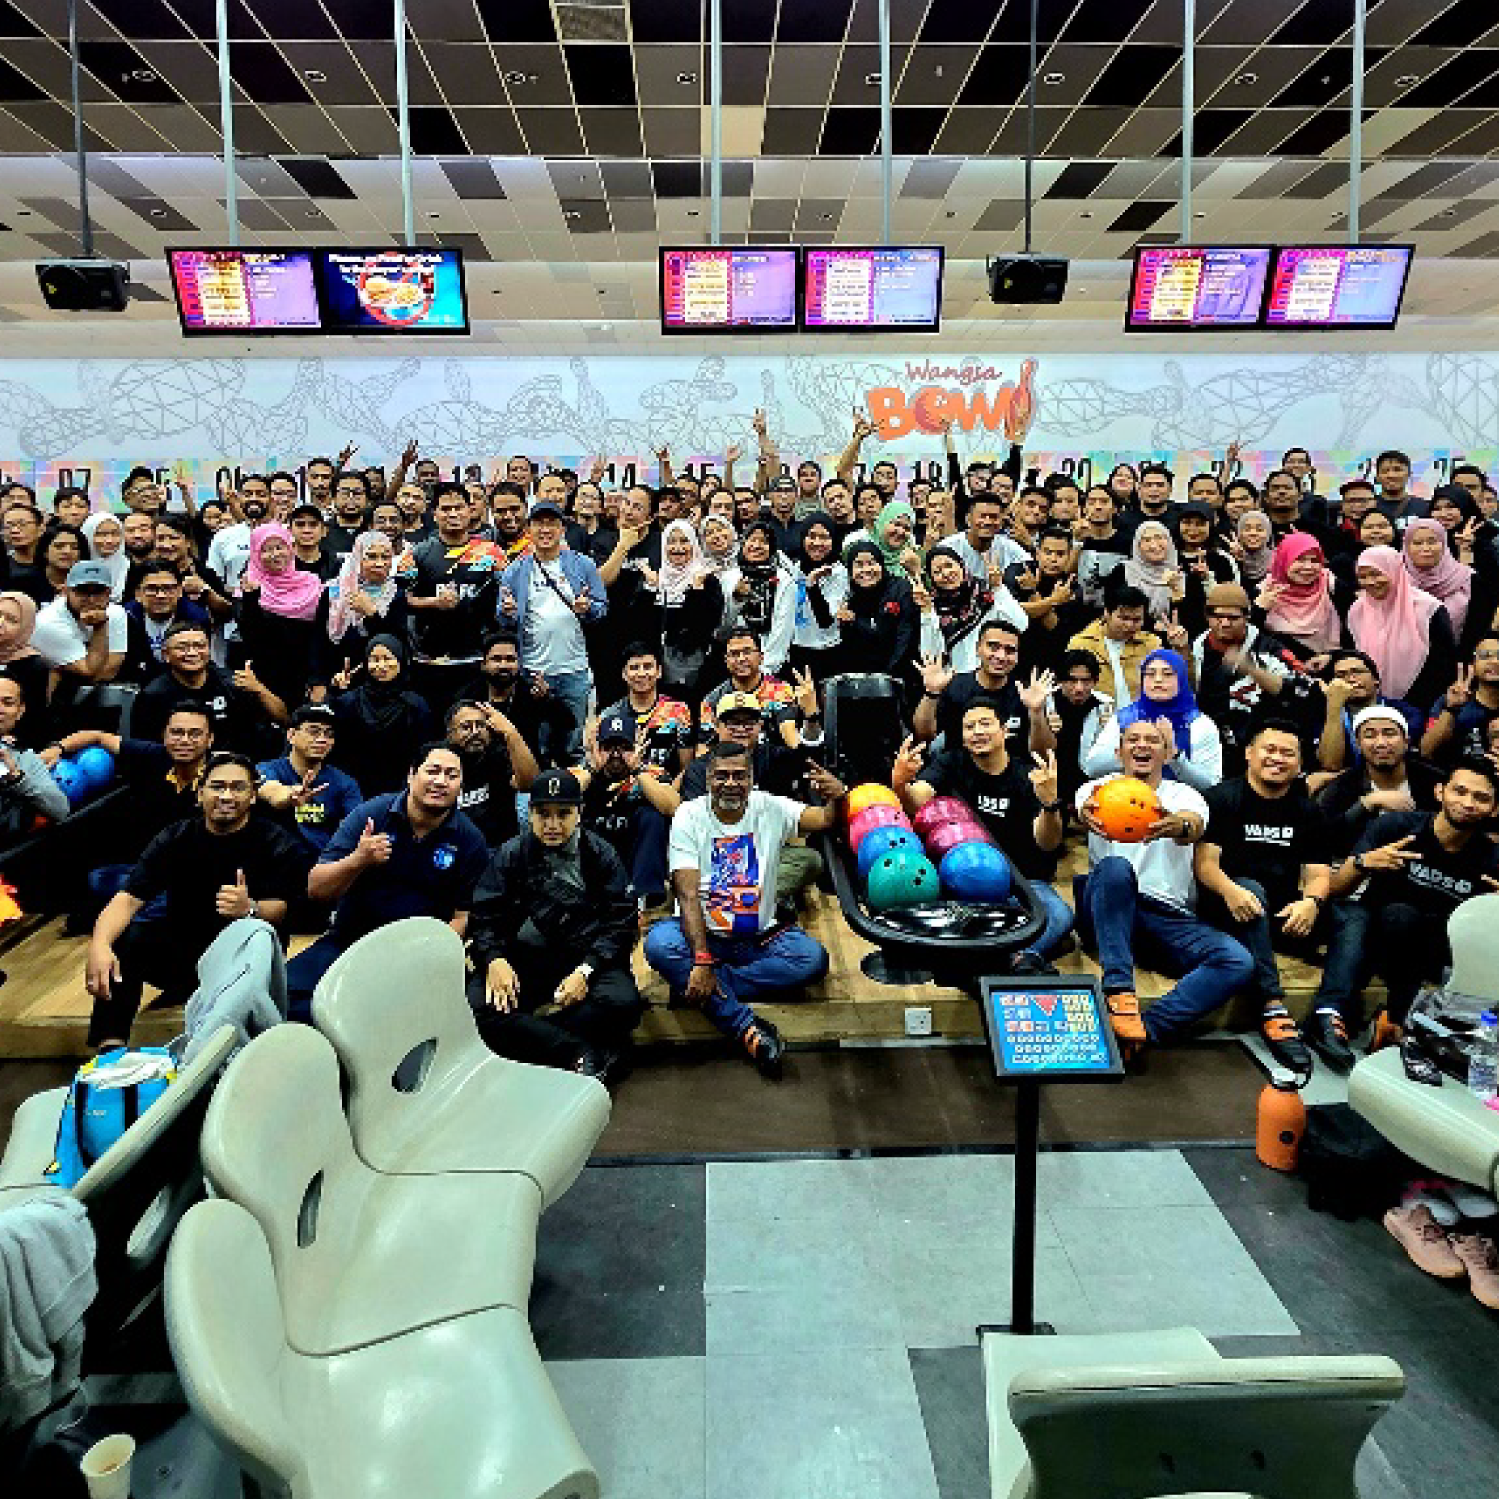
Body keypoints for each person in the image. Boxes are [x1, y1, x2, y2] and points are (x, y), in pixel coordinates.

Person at [643, 740, 847, 1078]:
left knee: (812, 960)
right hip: (702, 938)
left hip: (758, 938)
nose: (731, 783)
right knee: (659, 944)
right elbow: (688, 894)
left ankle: (702, 988)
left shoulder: (771, 807)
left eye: (739, 775)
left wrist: (838, 796)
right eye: (722, 776)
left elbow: (825, 818)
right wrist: (702, 959)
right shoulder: (688, 815)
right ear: (708, 779)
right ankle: (743, 1025)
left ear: (752, 779)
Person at [84, 750, 312, 1048]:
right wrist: (99, 945)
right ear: (200, 791)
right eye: (217, 787)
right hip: (184, 958)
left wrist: (250, 908)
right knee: (124, 938)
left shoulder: (275, 841)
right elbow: (127, 899)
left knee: (257, 935)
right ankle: (110, 1048)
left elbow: (281, 909)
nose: (226, 796)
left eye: (238, 787)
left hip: (244, 964)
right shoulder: (175, 837)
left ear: (253, 795)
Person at [1074, 720, 1253, 1055]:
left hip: (1166, 917)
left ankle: (1146, 1031)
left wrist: (1178, 824)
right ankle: (1119, 992)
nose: (1142, 745)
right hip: (1107, 910)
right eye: (1133, 739)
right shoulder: (1095, 790)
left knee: (1237, 960)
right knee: (1114, 868)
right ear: (1119, 751)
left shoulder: (1187, 795)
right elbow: (1085, 811)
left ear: (1168, 753)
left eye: (1153, 740)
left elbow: (1193, 824)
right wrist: (1083, 814)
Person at [1309, 758, 1499, 1067]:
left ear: (1494, 809)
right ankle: (1329, 1017)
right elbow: (1338, 888)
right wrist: (1364, 863)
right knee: (1363, 916)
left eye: (1481, 798)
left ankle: (1395, 1021)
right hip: (1375, 933)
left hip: (1433, 949)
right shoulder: (1396, 827)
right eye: (1460, 791)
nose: (1467, 803)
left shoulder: (1492, 858)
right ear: (1439, 791)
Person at [467, 768, 643, 1082]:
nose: (552, 824)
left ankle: (533, 1041)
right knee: (477, 1008)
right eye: (543, 814)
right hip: (525, 959)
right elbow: (484, 917)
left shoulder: (601, 854)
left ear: (579, 813)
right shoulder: (510, 854)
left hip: (586, 958)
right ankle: (577, 1051)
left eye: (563, 814)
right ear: (530, 813)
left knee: (623, 1005)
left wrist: (585, 971)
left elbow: (620, 924)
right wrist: (494, 959)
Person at [289, 742, 489, 1016]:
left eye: (451, 775)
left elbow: (461, 917)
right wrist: (358, 859)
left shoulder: (471, 840)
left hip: (418, 958)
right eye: (433, 771)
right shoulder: (371, 815)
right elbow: (316, 888)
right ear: (411, 775)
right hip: (351, 941)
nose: (441, 781)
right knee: (291, 998)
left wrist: (421, 959)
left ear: (461, 786)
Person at [1195, 721, 1332, 1074]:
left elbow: (1319, 874)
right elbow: (1205, 865)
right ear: (1249, 754)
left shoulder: (1308, 810)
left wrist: (1311, 903)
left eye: (1288, 753)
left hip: (1281, 911)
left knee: (1353, 917)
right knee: (1251, 891)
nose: (1277, 758)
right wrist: (1231, 891)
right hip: (1226, 905)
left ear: (1299, 764)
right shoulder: (1221, 798)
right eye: (1269, 750)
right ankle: (1271, 1005)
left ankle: (1333, 1013)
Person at [893, 707, 1072, 972]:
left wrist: (1049, 804)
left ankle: (1020, 959)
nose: (977, 732)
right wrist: (900, 785)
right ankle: (1005, 960)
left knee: (1060, 915)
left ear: (1004, 731)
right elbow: (917, 800)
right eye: (970, 727)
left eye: (985, 723)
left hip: (1021, 883)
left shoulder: (1029, 775)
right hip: (964, 881)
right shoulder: (950, 763)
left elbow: (1048, 842)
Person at [498, 498, 607, 747]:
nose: (545, 530)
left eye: (552, 524)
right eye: (539, 524)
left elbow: (602, 609)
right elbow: (502, 617)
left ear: (562, 529)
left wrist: (588, 608)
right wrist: (508, 612)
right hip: (533, 671)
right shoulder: (515, 570)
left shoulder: (583, 565)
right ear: (529, 529)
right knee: (537, 742)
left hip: (575, 670)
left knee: (574, 743)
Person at [400, 482, 505, 711]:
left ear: (470, 510)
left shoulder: (491, 552)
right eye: (446, 509)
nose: (453, 514)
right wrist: (433, 603)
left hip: (476, 659)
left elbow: (507, 594)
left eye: (459, 507)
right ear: (434, 514)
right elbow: (402, 600)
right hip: (429, 660)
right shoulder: (416, 554)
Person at [575, 709, 677, 911]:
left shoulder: (652, 773)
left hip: (636, 853)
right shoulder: (582, 773)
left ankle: (646, 899)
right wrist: (592, 770)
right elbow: (559, 798)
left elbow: (673, 807)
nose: (616, 755)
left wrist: (637, 770)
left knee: (652, 816)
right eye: (608, 747)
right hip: (595, 855)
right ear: (597, 748)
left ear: (637, 748)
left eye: (624, 748)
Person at [1083, 648, 1223, 792]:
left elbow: (1211, 784)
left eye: (1167, 674)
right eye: (1150, 674)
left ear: (1181, 680)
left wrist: (1174, 755)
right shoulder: (1123, 719)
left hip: (1179, 801)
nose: (1158, 680)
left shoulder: (1199, 724)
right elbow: (1092, 768)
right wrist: (1133, 749)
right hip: (1127, 797)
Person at [914, 619, 1056, 757]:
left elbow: (1044, 755)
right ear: (978, 649)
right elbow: (923, 737)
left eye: (1010, 650)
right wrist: (931, 693)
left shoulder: (1026, 694)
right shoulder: (954, 686)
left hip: (1012, 768)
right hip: (958, 767)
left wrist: (1037, 713)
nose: (1001, 656)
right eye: (993, 647)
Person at [1313, 705, 1443, 853]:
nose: (1381, 743)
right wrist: (1366, 804)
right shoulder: (1340, 789)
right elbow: (1327, 840)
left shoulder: (1434, 781)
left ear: (1406, 741)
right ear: (1358, 744)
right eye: (1370, 736)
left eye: (1389, 734)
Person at [130, 621, 275, 753]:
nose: (192, 653)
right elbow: (146, 748)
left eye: (199, 646)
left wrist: (259, 689)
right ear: (166, 655)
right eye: (182, 647)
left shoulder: (233, 684)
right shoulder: (152, 695)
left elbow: (263, 733)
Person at [1347, 544, 1456, 712]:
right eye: (1362, 577)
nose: (1370, 582)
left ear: (1394, 571)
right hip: (1372, 705)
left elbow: (1443, 663)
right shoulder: (1357, 611)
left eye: (1376, 574)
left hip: (1423, 703)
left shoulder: (1428, 609)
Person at [235, 521, 325, 714]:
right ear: (256, 554)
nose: (275, 554)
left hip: (305, 677)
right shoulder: (249, 586)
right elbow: (251, 637)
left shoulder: (311, 583)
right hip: (264, 679)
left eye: (279, 547)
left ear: (290, 548)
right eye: (266, 550)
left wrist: (317, 679)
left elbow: (321, 635)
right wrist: (251, 599)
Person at [328, 634, 435, 795]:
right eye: (374, 659)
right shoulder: (350, 700)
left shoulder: (415, 705)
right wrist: (335, 692)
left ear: (400, 661)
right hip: (353, 787)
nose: (381, 665)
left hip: (401, 789)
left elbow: (423, 751)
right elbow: (329, 729)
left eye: (387, 658)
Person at [256, 703, 363, 857]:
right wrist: (291, 794)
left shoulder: (345, 783)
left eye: (329, 734)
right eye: (313, 731)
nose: (322, 739)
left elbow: (355, 828)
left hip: (323, 861)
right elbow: (271, 791)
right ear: (291, 735)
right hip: (276, 860)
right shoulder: (267, 769)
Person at [314, 529, 410, 691]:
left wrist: (372, 613)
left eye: (385, 557)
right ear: (357, 558)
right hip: (335, 677)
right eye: (371, 557)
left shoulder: (395, 594)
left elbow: (396, 643)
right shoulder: (334, 591)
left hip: (379, 680)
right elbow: (318, 639)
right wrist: (317, 681)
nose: (379, 564)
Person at [917, 543, 1027, 675]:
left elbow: (1020, 624)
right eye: (937, 572)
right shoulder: (933, 606)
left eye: (949, 565)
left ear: (961, 565)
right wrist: (927, 612)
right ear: (932, 579)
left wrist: (998, 587)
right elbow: (930, 656)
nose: (945, 573)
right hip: (956, 680)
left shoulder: (986, 594)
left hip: (993, 677)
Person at [445, 697, 538, 847]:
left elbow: (530, 783)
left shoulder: (499, 755)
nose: (475, 732)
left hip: (497, 848)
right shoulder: (438, 759)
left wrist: (510, 732)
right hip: (452, 847)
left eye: (481, 725)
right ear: (450, 735)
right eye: (466, 727)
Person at [597, 641, 695, 780]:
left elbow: (686, 768)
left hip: (667, 788)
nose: (642, 673)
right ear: (624, 674)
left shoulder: (679, 711)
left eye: (648, 667)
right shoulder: (609, 715)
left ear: (659, 671)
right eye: (634, 668)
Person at [1315, 649, 1422, 772]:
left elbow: (1396, 758)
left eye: (1357, 672)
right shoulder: (1326, 716)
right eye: (1341, 676)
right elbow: (1330, 764)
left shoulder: (1405, 712)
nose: (1350, 680)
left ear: (1376, 680)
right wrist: (1334, 706)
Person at [652, 518, 724, 703]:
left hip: (696, 670)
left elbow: (705, 625)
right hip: (657, 669)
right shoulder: (655, 578)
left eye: (684, 541)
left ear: (694, 544)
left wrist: (696, 590)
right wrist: (650, 589)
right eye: (672, 541)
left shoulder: (707, 580)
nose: (678, 548)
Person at [1066, 584, 1166, 707]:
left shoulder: (1151, 644)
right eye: (1124, 618)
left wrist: (1180, 648)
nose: (1129, 625)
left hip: (1142, 716)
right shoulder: (1081, 644)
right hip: (1097, 715)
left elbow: (1173, 683)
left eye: (1136, 620)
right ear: (1107, 613)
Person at [30, 560, 127, 686]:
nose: (91, 599)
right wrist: (101, 626)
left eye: (98, 591)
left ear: (109, 593)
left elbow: (111, 670)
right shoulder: (48, 622)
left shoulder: (116, 612)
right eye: (82, 591)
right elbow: (88, 671)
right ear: (65, 591)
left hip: (91, 686)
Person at [720, 520, 797, 676]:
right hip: (733, 662)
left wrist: (765, 670)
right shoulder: (730, 577)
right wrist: (737, 599)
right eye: (752, 540)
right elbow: (723, 628)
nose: (756, 546)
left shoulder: (784, 580)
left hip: (770, 662)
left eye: (764, 541)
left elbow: (783, 628)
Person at [836, 540, 918, 682]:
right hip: (865, 680)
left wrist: (889, 676)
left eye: (872, 563)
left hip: (902, 674)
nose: (866, 570)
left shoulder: (900, 589)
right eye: (859, 565)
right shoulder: (850, 599)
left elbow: (905, 636)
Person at [120, 561, 214, 684]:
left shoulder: (196, 618)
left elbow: (199, 662)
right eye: (152, 589)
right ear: (138, 594)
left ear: (180, 591)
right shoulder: (125, 617)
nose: (161, 595)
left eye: (168, 588)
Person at [0, 676, 68, 838]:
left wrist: (16, 778)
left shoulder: (26, 758)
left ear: (20, 711)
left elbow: (61, 810)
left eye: (8, 703)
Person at [1261, 534, 1344, 660]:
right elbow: (1251, 636)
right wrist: (1260, 609)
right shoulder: (1264, 592)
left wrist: (1331, 657)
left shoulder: (1331, 584)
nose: (1308, 567)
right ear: (1284, 560)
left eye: (1314, 560)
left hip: (1331, 663)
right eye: (1299, 559)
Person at [1422, 639, 1499, 764]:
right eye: (1485, 655)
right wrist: (1451, 708)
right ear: (1473, 666)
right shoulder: (1449, 700)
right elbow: (1426, 751)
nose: (1494, 661)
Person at [0, 590, 51, 738]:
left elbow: (34, 716)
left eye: (11, 620)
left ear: (26, 627)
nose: (1, 623)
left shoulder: (34, 665)